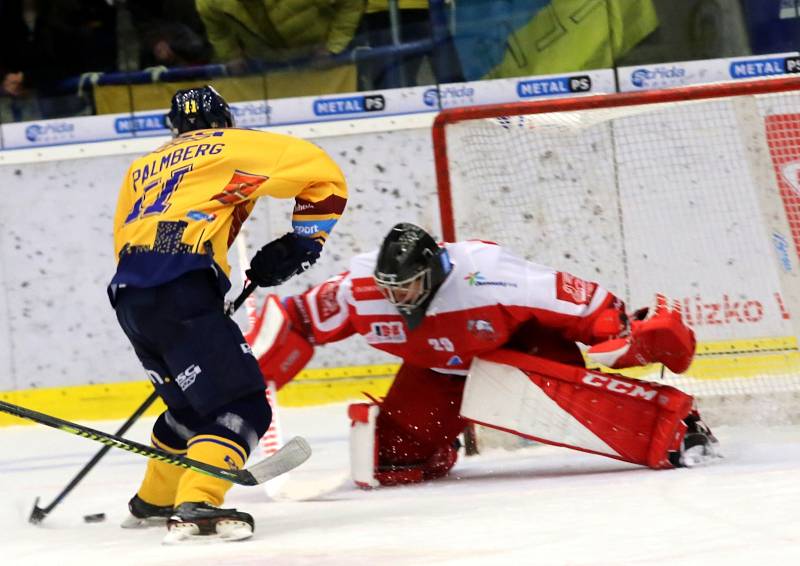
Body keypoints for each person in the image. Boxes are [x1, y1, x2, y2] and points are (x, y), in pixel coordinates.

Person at [252, 222, 719, 488]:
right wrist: (249, 381)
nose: (398, 297)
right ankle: (441, 443)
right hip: (441, 371)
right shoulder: (359, 292)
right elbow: (297, 321)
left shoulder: (490, 278)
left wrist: (624, 335)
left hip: (520, 353)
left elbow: (584, 302)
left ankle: (678, 425)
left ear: (434, 272)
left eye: (410, 286)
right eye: (391, 288)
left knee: (569, 403)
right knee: (391, 460)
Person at [108, 85, 348, 542]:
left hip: (131, 295)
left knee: (191, 408)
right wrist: (303, 242)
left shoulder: (140, 169)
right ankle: (198, 502)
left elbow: (127, 237)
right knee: (242, 405)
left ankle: (154, 499)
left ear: (174, 128)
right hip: (181, 289)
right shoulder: (233, 143)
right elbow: (323, 170)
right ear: (225, 119)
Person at [194, 0, 364, 71]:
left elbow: (352, 3)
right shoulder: (209, 1)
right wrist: (231, 55)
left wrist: (333, 47)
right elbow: (218, 30)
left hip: (322, 61)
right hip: (265, 69)